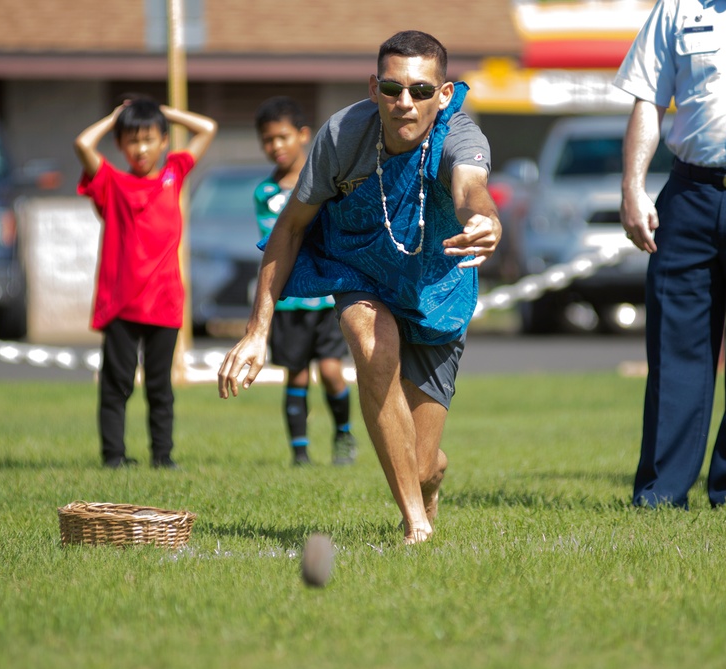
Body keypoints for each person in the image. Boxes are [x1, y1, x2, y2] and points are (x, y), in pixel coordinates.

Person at [218, 31, 501, 544]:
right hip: (360, 273)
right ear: (374, 88)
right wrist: (257, 330)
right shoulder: (342, 136)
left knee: (418, 468)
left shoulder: (460, 136)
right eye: (392, 88)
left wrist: (485, 219)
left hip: (437, 293)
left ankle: (428, 486)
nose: (405, 102)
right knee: (368, 337)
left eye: (420, 90)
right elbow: (289, 226)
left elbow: (471, 188)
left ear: (443, 93)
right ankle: (416, 527)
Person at [615, 0, 726, 508]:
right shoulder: (679, 7)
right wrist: (632, 187)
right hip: (689, 194)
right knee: (674, 350)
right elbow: (647, 98)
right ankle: (661, 495)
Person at [74, 96, 217, 469]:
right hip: (122, 303)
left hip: (165, 302)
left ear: (164, 141)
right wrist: (115, 117)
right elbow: (82, 145)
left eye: (149, 138)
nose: (141, 148)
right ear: (121, 145)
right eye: (132, 140)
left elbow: (207, 128)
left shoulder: (174, 173)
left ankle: (162, 457)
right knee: (116, 386)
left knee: (160, 388)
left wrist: (162, 112)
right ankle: (114, 457)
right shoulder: (111, 182)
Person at [253, 96, 357, 467]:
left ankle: (344, 434)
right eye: (268, 140)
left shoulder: (323, 184)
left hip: (325, 301)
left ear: (303, 135)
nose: (276, 146)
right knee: (295, 375)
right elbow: (277, 243)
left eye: (282, 137)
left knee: (331, 372)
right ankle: (300, 452)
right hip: (289, 304)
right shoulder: (265, 194)